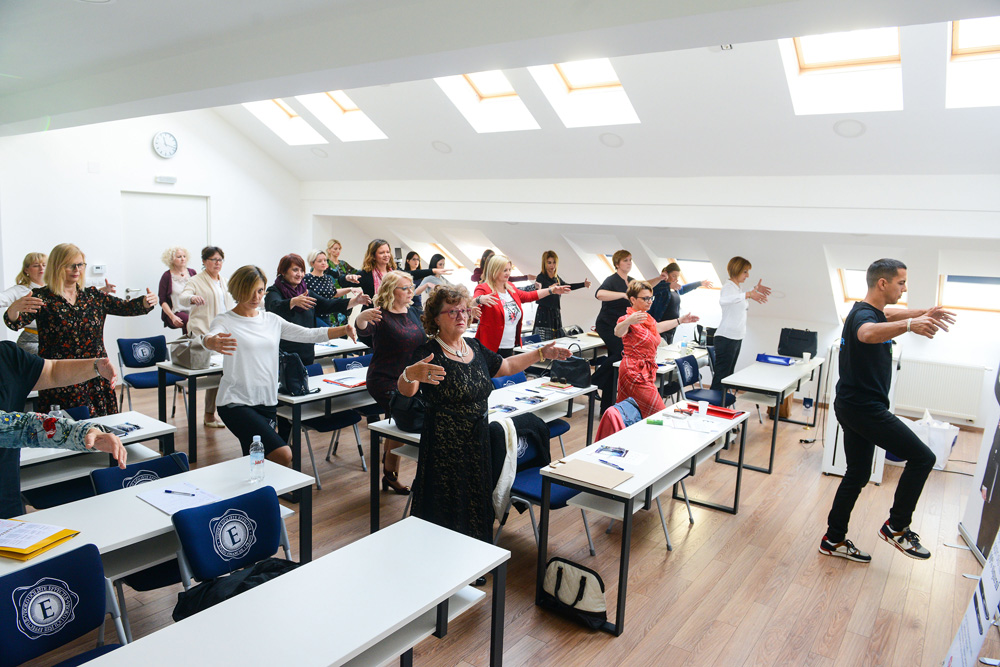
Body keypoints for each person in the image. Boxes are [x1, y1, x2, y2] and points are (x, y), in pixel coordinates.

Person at [396, 284, 571, 544]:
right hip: (445, 449)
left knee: (475, 505)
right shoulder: (428, 353)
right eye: (452, 311)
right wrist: (409, 374)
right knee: (445, 508)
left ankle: (473, 555)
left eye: (464, 310)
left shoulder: (474, 347)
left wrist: (540, 354)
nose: (461, 316)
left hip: (477, 443)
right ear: (436, 319)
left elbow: (506, 365)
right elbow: (407, 391)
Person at [819, 259, 956, 563]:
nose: (904, 289)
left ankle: (833, 539)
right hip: (863, 408)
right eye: (901, 283)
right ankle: (896, 527)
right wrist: (910, 325)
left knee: (857, 473)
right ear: (883, 283)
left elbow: (888, 315)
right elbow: (867, 333)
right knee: (923, 458)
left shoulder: (865, 309)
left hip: (851, 404)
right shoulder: (863, 319)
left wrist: (922, 313)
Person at [203, 265, 377, 467]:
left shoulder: (271, 320)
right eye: (250, 291)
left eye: (260, 291)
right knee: (283, 454)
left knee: (255, 460)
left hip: (267, 400)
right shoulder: (225, 320)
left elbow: (307, 334)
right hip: (236, 402)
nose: (256, 297)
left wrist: (344, 329)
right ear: (237, 290)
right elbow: (209, 337)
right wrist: (211, 342)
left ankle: (255, 486)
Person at [3, 243, 157, 416]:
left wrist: (146, 302)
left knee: (101, 425)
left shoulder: (93, 295)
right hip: (62, 376)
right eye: (71, 265)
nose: (77, 270)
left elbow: (126, 307)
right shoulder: (42, 297)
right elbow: (15, 323)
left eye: (80, 265)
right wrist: (13, 309)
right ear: (57, 266)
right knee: (66, 425)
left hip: (96, 373)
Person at [0, 340, 127, 518]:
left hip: (7, 496)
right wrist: (80, 432)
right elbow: (20, 428)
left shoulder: (6, 355)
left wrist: (85, 432)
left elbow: (51, 371)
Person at [355, 270, 424, 494]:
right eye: (405, 288)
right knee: (404, 417)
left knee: (397, 421)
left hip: (410, 378)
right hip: (384, 378)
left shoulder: (412, 311)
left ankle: (389, 470)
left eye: (411, 287)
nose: (410, 291)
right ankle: (390, 473)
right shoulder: (380, 315)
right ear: (391, 291)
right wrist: (360, 319)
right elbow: (364, 330)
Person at [264, 253, 370, 366]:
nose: (299, 274)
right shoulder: (274, 291)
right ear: (283, 271)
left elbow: (328, 304)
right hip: (283, 353)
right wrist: (292, 302)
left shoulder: (306, 292)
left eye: (301, 270)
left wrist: (355, 301)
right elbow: (274, 307)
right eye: (295, 270)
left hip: (306, 351)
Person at [593, 249, 664, 415]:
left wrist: (660, 279)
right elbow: (599, 294)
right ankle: (593, 381)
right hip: (608, 324)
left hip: (626, 325)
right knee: (621, 353)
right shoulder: (612, 280)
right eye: (625, 260)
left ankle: (608, 407)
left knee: (615, 366)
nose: (629, 263)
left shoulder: (631, 280)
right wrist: (622, 295)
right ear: (617, 263)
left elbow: (644, 287)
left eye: (630, 260)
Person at [614, 280, 699, 418]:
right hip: (633, 370)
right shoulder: (627, 318)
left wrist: (680, 320)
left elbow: (658, 327)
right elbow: (618, 332)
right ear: (633, 299)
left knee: (632, 413)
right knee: (658, 412)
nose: (649, 302)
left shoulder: (647, 317)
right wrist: (628, 321)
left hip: (646, 370)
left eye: (651, 298)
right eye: (645, 298)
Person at [177, 246, 232, 428]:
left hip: (222, 331)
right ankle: (209, 415)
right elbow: (183, 297)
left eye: (220, 260)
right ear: (204, 261)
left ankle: (218, 413)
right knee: (214, 373)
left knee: (223, 373)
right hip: (203, 333)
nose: (217, 263)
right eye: (213, 259)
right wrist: (192, 298)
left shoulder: (224, 281)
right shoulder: (195, 280)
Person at [473, 254, 570, 356]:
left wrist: (551, 290)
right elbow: (472, 302)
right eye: (504, 270)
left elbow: (529, 296)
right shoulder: (484, 288)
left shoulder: (510, 288)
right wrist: (479, 300)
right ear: (495, 270)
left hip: (509, 346)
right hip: (490, 348)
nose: (508, 273)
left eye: (509, 270)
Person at [709, 256, 771, 392]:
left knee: (728, 375)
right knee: (721, 376)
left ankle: (722, 402)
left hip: (736, 337)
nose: (747, 275)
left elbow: (740, 296)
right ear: (736, 270)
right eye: (745, 272)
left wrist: (754, 289)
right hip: (726, 337)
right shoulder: (728, 287)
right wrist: (748, 294)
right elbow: (725, 300)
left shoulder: (738, 288)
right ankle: (713, 403)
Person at [356, 239, 449, 301]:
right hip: (371, 315)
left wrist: (432, 271)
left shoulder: (394, 271)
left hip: (391, 314)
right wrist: (350, 284)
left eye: (387, 252)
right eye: (381, 253)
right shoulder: (365, 274)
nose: (386, 255)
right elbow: (347, 281)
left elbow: (411, 274)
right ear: (373, 255)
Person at [651, 262, 713, 344]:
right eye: (673, 276)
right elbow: (652, 290)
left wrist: (700, 283)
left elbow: (683, 289)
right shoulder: (661, 287)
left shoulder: (675, 289)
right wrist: (668, 285)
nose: (676, 279)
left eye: (678, 276)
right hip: (661, 327)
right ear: (666, 274)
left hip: (672, 327)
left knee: (668, 348)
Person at [534, 250, 591, 338]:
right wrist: (549, 288)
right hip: (544, 314)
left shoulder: (556, 278)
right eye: (549, 263)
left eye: (554, 262)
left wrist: (583, 284)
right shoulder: (540, 277)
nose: (552, 265)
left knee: (557, 339)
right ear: (544, 263)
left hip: (555, 313)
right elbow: (537, 293)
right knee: (544, 340)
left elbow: (568, 286)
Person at [0, 252, 47, 354]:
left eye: (44, 265)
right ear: (26, 270)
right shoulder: (20, 290)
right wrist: (15, 307)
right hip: (32, 340)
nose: (41, 268)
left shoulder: (56, 289)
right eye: (36, 265)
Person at [304, 249, 359, 326]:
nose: (323, 263)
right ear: (312, 263)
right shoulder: (306, 278)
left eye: (325, 260)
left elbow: (334, 293)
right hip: (313, 315)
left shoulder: (328, 278)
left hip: (327, 316)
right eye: (319, 261)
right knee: (329, 331)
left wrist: (350, 289)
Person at [157, 247, 197, 333]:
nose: (183, 259)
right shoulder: (167, 276)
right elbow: (162, 301)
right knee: (190, 322)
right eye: (179, 257)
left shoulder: (192, 273)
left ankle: (191, 340)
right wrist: (172, 316)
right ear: (171, 260)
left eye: (184, 256)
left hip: (193, 310)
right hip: (176, 312)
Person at [470, 249, 534, 285]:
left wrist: (526, 277)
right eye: (491, 257)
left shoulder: (496, 270)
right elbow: (473, 278)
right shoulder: (479, 270)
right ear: (485, 259)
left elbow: (509, 278)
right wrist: (482, 276)